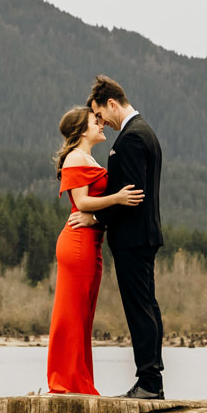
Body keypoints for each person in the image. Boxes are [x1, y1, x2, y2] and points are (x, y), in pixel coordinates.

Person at [73, 75, 165, 398]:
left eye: (100, 115)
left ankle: (149, 383)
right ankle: (152, 381)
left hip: (133, 239)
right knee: (147, 307)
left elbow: (131, 196)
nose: (101, 122)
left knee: (140, 309)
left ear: (112, 104)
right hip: (143, 236)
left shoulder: (132, 139)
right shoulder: (146, 133)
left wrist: (94, 216)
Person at [44, 105, 144, 395]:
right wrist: (118, 198)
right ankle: (64, 382)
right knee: (71, 315)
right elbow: (83, 203)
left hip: (90, 243)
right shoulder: (76, 158)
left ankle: (80, 382)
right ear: (81, 130)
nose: (101, 123)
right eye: (95, 120)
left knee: (82, 317)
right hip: (78, 244)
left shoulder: (85, 157)